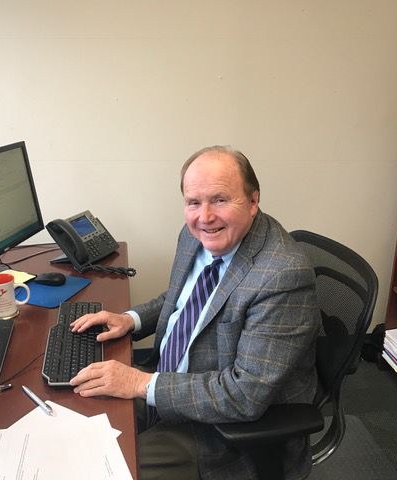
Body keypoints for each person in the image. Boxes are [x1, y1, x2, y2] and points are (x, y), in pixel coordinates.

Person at [70, 145, 321, 480]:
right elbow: (180, 299)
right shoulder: (197, 237)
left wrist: (141, 383)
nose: (204, 217)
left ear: (252, 201)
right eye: (193, 202)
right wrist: (131, 319)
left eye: (220, 199)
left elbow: (244, 395)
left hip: (223, 431)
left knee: (110, 467)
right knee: (77, 421)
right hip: (171, 381)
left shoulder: (282, 275)